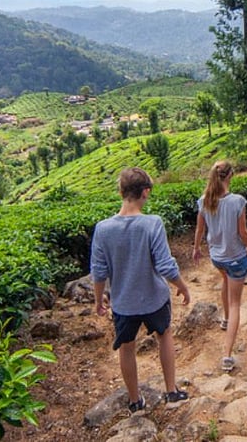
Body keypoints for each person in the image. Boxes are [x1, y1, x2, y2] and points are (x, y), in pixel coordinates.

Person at [91, 167, 191, 413]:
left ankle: (135, 401)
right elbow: (165, 265)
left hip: (124, 303)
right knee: (164, 335)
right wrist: (182, 286)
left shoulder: (103, 229)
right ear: (145, 192)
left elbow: (99, 270)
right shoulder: (152, 224)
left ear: (121, 191)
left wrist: (98, 300)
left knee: (127, 347)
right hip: (155, 298)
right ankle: (171, 390)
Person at [192, 160, 247, 373]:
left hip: (217, 257)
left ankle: (225, 319)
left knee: (225, 279)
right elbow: (243, 232)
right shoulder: (238, 201)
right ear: (230, 175)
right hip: (236, 257)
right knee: (236, 302)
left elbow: (199, 230)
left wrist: (196, 248)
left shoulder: (204, 201)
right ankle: (227, 355)